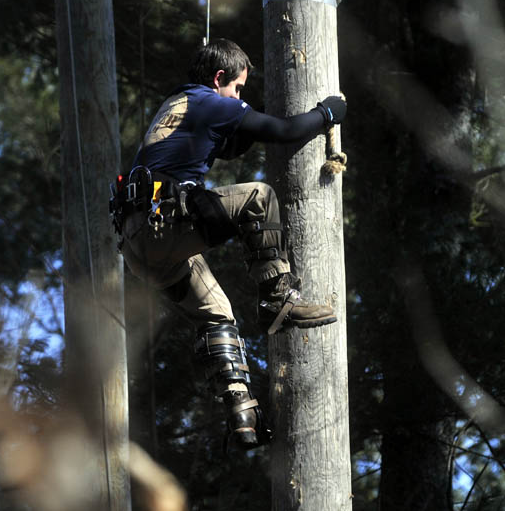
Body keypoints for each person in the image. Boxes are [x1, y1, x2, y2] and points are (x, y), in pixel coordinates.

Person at [111, 38, 347, 450]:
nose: (240, 97)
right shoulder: (212, 102)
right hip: (163, 223)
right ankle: (278, 297)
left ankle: (243, 415)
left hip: (139, 247)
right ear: (219, 78)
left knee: (217, 315)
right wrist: (328, 113)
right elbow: (286, 131)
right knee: (259, 196)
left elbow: (228, 142)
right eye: (238, 87)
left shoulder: (178, 104)